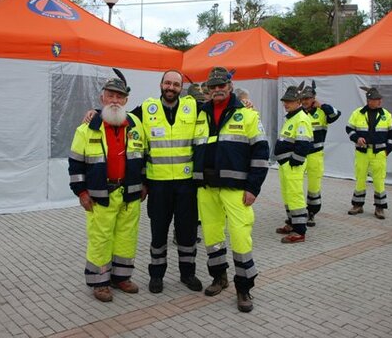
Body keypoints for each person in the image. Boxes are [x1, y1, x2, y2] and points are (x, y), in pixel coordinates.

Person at [192, 66, 269, 313]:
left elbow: (261, 155)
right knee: (213, 238)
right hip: (206, 189)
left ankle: (243, 288)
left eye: (221, 85)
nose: (217, 90)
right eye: (212, 86)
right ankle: (219, 278)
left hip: (236, 190)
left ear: (230, 86)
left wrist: (253, 188)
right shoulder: (199, 114)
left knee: (240, 237)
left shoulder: (247, 115)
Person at [68, 76, 145, 302]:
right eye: (110, 95)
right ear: (102, 98)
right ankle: (99, 282)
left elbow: (144, 157)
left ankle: (121, 277)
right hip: (101, 195)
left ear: (126, 100)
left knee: (126, 237)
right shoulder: (86, 128)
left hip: (129, 194)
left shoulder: (136, 124)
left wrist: (144, 184)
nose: (114, 100)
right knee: (100, 239)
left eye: (119, 96)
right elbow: (75, 164)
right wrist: (81, 192)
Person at [132, 70, 202, 294]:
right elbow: (122, 119)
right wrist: (95, 113)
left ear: (181, 88)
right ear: (161, 84)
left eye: (176, 84)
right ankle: (156, 275)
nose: (171, 87)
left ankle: (188, 273)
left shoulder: (194, 107)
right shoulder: (146, 108)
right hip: (158, 185)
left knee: (187, 233)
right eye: (168, 83)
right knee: (158, 232)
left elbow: (221, 112)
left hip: (186, 184)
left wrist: (242, 104)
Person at [346, 86, 392, 220]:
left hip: (379, 153)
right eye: (376, 99)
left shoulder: (386, 114)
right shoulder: (357, 113)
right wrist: (356, 138)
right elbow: (349, 129)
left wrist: (388, 150)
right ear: (369, 100)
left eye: (379, 99)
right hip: (362, 153)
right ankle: (357, 205)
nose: (379, 101)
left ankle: (379, 208)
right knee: (360, 179)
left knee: (379, 181)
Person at [274, 83, 313, 244]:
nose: (285, 104)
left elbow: (304, 144)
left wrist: (294, 162)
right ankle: (291, 223)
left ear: (298, 102)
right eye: (285, 101)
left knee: (295, 196)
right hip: (286, 165)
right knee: (288, 194)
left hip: (292, 165)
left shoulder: (301, 118)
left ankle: (299, 231)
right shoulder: (292, 117)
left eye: (289, 101)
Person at [300, 80, 341, 226]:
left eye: (308, 98)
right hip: (300, 155)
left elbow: (336, 115)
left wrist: (322, 105)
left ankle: (311, 213)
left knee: (314, 186)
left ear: (313, 99)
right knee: (296, 185)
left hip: (315, 155)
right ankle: (297, 214)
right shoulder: (298, 113)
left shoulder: (322, 112)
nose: (304, 101)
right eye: (303, 99)